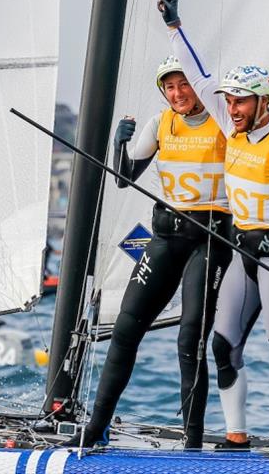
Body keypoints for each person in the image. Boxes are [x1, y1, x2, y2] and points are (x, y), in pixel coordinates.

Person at [159, 0, 269, 449]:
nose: (231, 109)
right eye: (229, 101)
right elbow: (198, 78)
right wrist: (175, 26)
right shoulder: (230, 124)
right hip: (242, 251)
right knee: (223, 346)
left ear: (263, 103)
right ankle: (236, 437)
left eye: (241, 102)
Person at [66, 55, 235, 450]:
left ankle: (192, 443)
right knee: (125, 330)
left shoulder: (224, 122)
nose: (177, 94)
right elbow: (124, 179)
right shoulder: (161, 124)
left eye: (184, 85)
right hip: (165, 238)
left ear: (198, 85)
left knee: (189, 339)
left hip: (209, 242)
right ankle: (96, 427)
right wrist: (118, 144)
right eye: (169, 87)